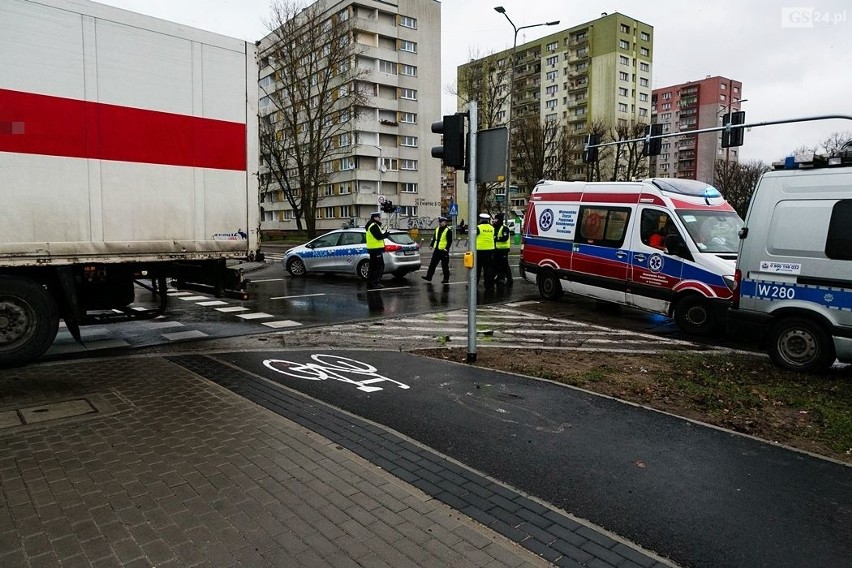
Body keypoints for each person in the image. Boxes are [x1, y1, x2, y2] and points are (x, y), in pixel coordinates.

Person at [422, 216, 452, 283]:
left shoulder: (448, 230)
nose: (440, 223)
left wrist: (446, 249)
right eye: (439, 222)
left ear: (444, 222)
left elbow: (449, 241)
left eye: (441, 222)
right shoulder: (437, 229)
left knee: (444, 266)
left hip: (444, 251)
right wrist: (431, 245)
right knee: (432, 264)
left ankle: (446, 279)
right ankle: (429, 277)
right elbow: (435, 238)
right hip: (437, 250)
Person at [364, 211, 389, 290]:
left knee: (373, 266)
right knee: (379, 266)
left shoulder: (371, 225)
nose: (380, 218)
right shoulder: (374, 226)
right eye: (378, 217)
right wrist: (385, 235)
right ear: (374, 217)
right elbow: (378, 237)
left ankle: (370, 281)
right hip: (376, 249)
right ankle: (375, 282)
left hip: (373, 249)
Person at [475, 212, 495, 290]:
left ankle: (474, 284)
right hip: (490, 251)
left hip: (479, 251)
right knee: (488, 270)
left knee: (477, 269)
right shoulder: (491, 228)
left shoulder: (478, 227)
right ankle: (489, 285)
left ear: (480, 219)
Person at [493, 213, 512, 287]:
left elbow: (505, 238)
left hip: (504, 250)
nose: (495, 220)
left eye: (496, 219)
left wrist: (496, 239)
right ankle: (499, 278)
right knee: (497, 265)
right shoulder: (495, 227)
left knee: (505, 265)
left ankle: (509, 279)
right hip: (497, 250)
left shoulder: (504, 228)